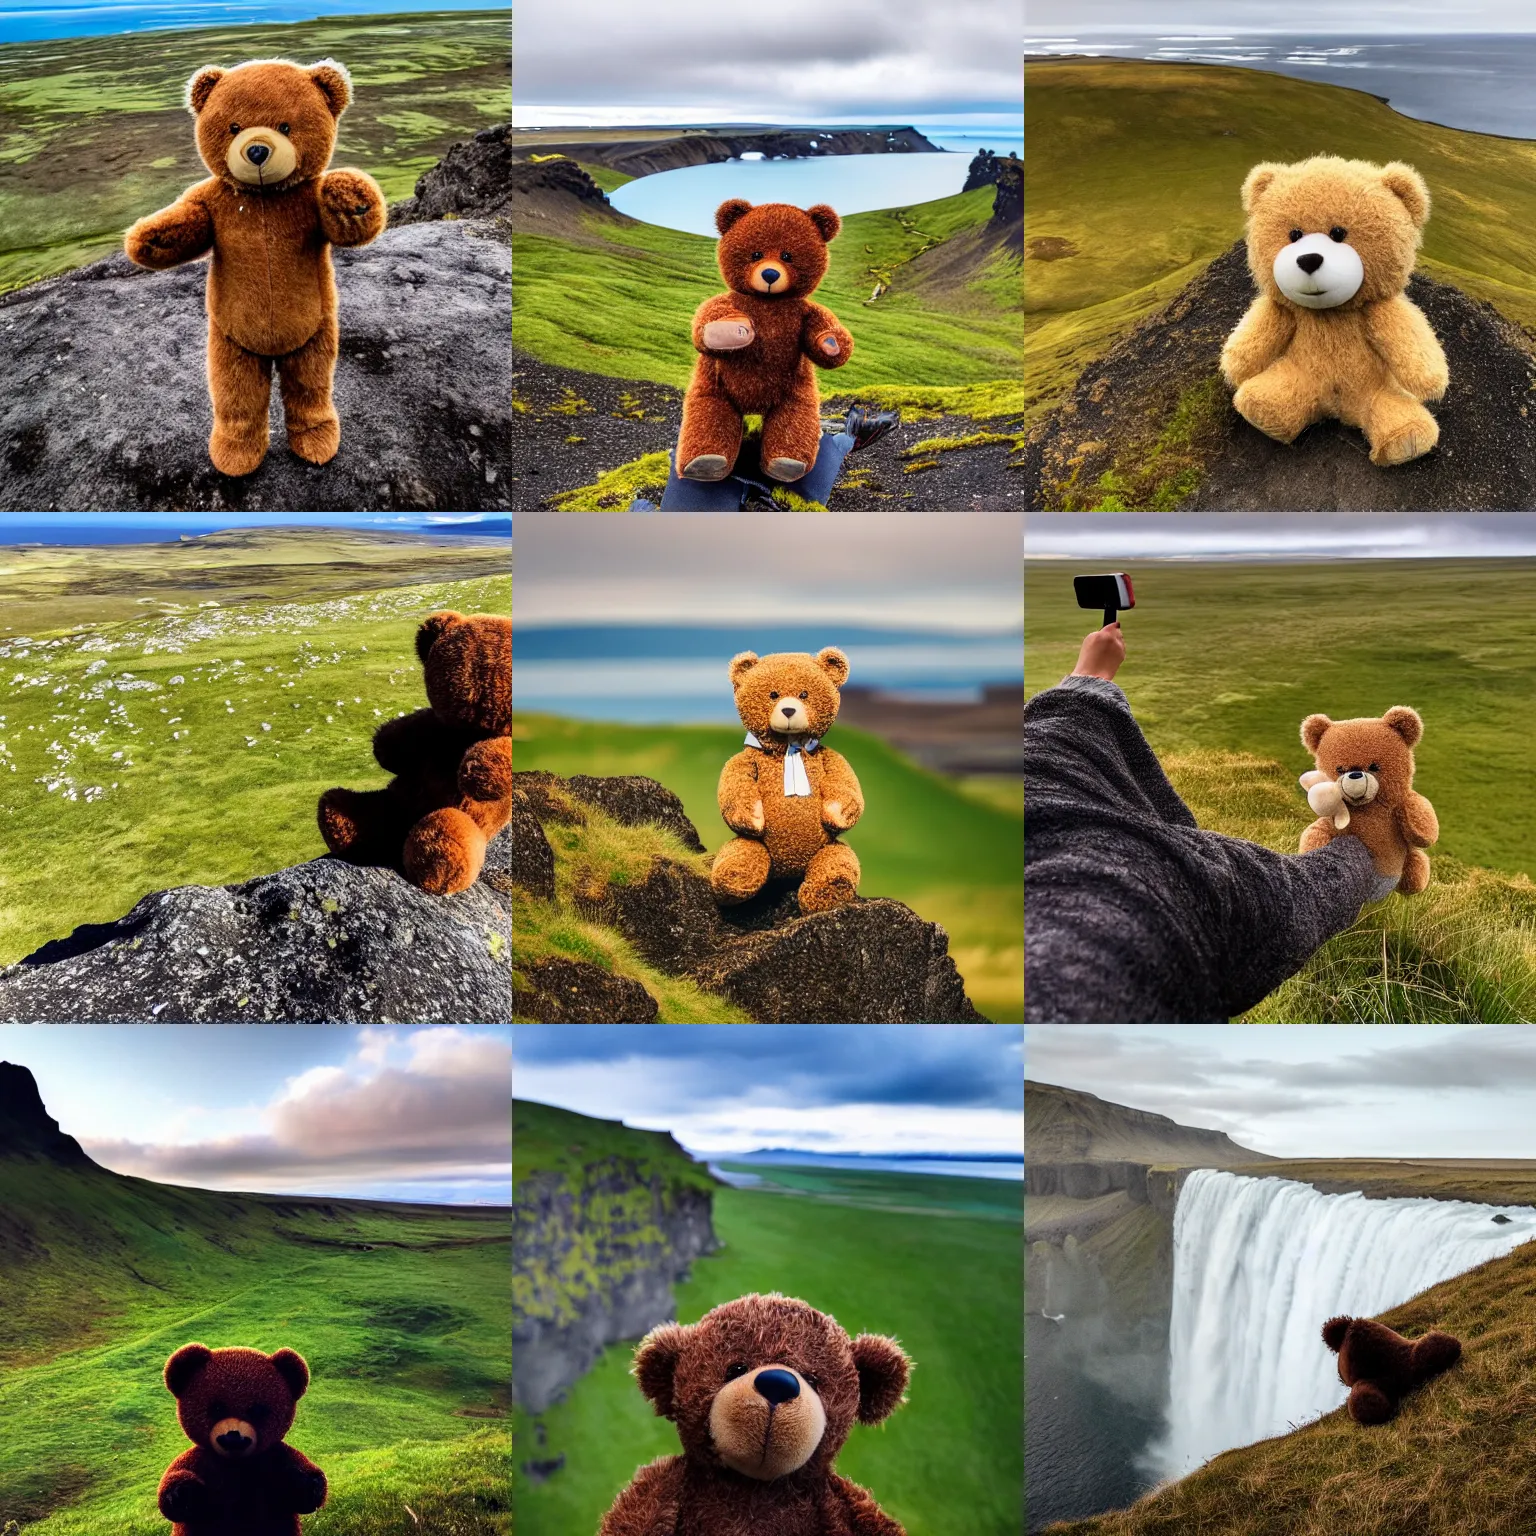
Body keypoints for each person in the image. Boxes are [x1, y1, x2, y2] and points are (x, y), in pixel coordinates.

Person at [1025, 622, 1382, 1023]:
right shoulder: (1163, 884)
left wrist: (1085, 682)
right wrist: (1365, 850)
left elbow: (1039, 770)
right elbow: (1304, 894)